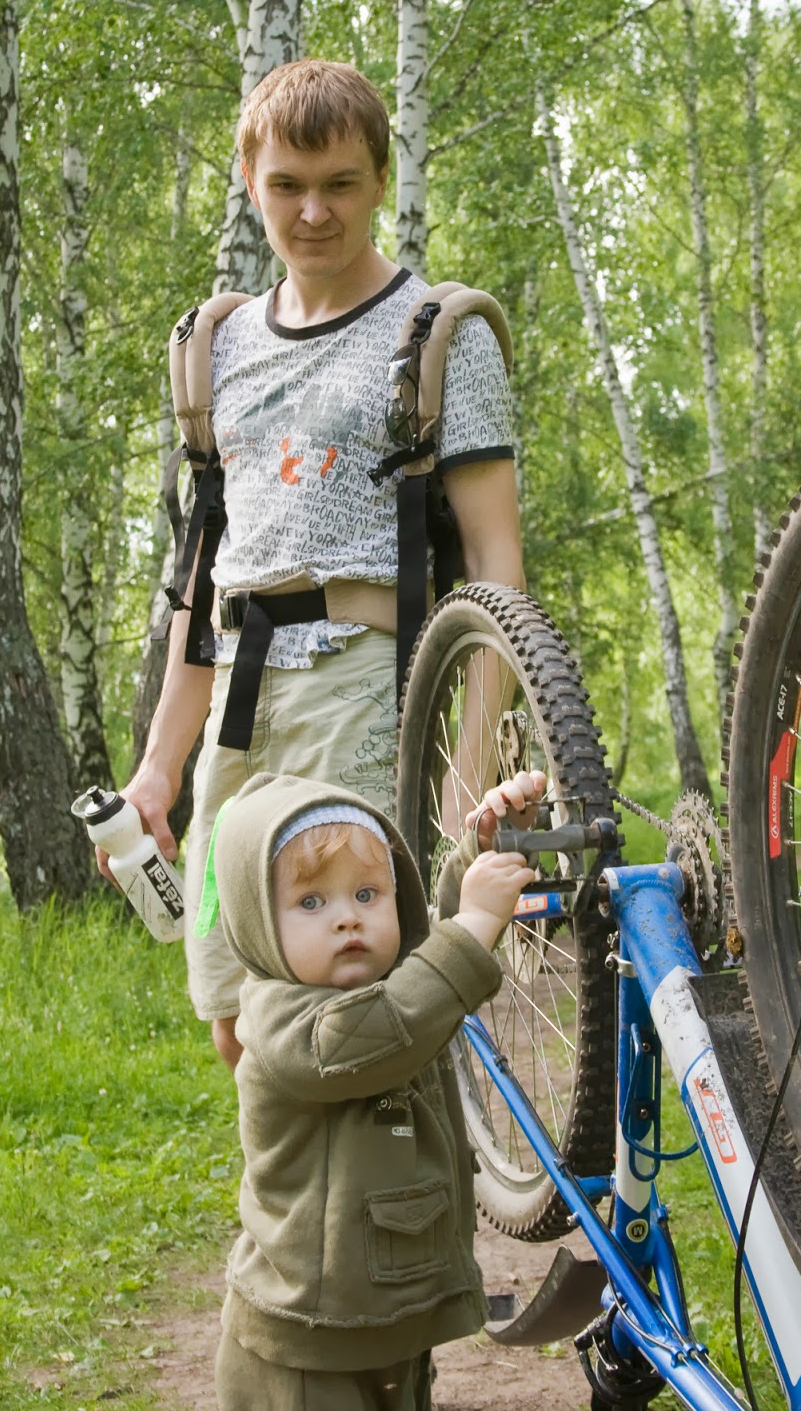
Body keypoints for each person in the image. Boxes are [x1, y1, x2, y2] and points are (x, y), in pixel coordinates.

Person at [101, 59, 524, 1069]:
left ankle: (400, 1181)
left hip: (362, 694)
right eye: (287, 185)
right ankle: (287, 1187)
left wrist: (465, 772)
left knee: (354, 1009)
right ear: (252, 183)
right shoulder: (218, 347)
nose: (313, 211)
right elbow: (206, 576)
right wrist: (160, 769)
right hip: (237, 714)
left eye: (339, 184)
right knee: (235, 1014)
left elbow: (496, 569)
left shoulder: (440, 336)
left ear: (379, 179)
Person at [205, 766, 547, 1411]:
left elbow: (423, 955)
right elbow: (384, 1026)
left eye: (367, 894)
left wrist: (486, 851)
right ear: (256, 923)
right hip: (307, 1347)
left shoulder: (383, 981)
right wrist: (475, 922)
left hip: (381, 1311)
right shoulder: (284, 1021)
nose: (348, 920)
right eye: (312, 903)